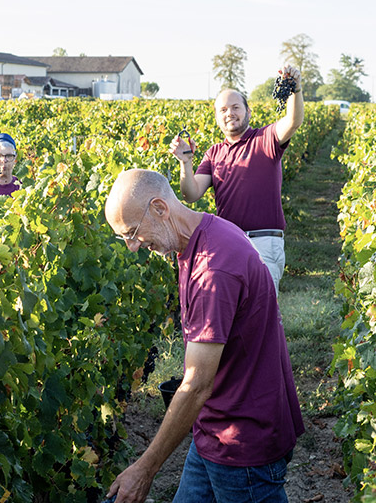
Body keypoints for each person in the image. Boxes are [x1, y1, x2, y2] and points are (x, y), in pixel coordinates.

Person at [103, 168, 304, 503]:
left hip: (244, 443)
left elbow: (196, 385)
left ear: (160, 208)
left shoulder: (213, 269)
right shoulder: (206, 231)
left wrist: (145, 468)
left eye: (133, 233)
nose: (133, 247)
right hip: (215, 427)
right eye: (123, 238)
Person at [169, 65, 304, 293]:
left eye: (235, 107)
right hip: (228, 244)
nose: (229, 113)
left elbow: (293, 121)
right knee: (232, 315)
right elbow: (191, 194)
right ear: (217, 117)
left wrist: (295, 89)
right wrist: (185, 162)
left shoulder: (265, 138)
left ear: (248, 112)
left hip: (264, 242)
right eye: (223, 110)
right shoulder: (213, 153)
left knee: (261, 315)